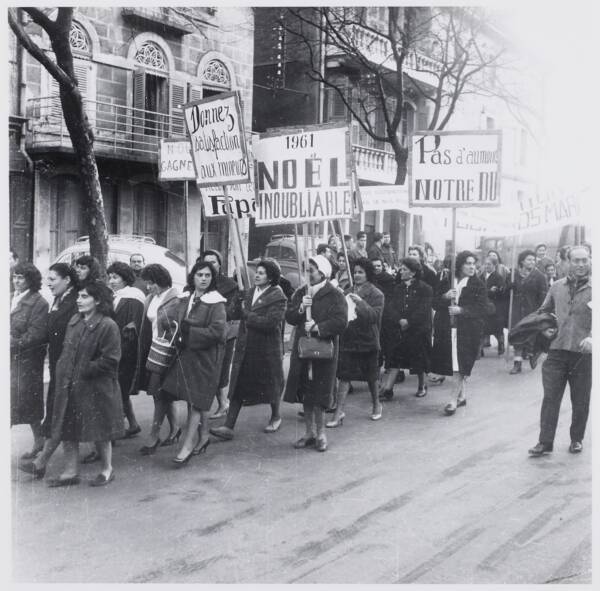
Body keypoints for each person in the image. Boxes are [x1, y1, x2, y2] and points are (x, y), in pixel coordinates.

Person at [46, 281, 124, 487]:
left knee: (100, 430)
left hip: (96, 388)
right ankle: (71, 472)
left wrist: (83, 370)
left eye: (84, 297)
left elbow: (111, 360)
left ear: (97, 300)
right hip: (70, 385)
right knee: (67, 427)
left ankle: (107, 469)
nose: (79, 301)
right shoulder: (75, 320)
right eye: (79, 296)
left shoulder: (108, 325)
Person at [210, 259, 287, 441]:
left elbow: (271, 323)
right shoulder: (249, 292)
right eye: (257, 272)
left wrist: (248, 315)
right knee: (238, 385)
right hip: (246, 347)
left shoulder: (278, 296)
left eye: (261, 273)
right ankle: (228, 426)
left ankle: (276, 416)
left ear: (270, 277)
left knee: (271, 385)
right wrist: (238, 300)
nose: (257, 275)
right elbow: (232, 313)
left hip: (267, 349)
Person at [160, 261, 227, 464]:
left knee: (196, 402)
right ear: (193, 277)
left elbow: (218, 332)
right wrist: (169, 323)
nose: (204, 279)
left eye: (208, 275)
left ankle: (187, 446)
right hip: (187, 355)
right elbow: (167, 316)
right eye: (200, 275)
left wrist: (190, 331)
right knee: (194, 399)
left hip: (206, 358)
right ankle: (204, 436)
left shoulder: (216, 302)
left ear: (212, 278)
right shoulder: (185, 298)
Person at [528, 246, 592, 456]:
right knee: (550, 398)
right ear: (567, 262)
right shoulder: (556, 286)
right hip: (556, 351)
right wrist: (545, 327)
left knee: (580, 399)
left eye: (584, 260)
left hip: (583, 355)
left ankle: (576, 439)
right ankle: (545, 442)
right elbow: (543, 312)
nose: (581, 265)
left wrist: (593, 338)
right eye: (576, 261)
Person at [19, 264, 79, 480]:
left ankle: (47, 463)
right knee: (61, 415)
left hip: (69, 366)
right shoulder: (59, 299)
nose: (48, 283)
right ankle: (50, 464)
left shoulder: (75, 302)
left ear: (67, 280)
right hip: (57, 365)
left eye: (52, 279)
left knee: (64, 415)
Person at [283, 255, 347, 452]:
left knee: (319, 393)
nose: (308, 274)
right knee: (305, 392)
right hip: (304, 348)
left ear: (323, 272)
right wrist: (302, 307)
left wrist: (318, 327)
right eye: (306, 270)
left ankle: (321, 433)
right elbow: (290, 317)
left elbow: (341, 321)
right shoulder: (301, 292)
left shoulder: (335, 294)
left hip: (323, 350)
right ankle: (309, 432)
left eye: (312, 270)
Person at [327, 258, 384, 427]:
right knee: (345, 376)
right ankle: (338, 413)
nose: (357, 275)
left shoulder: (376, 294)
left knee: (371, 377)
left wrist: (360, 302)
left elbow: (374, 317)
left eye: (361, 272)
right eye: (355, 272)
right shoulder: (347, 290)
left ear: (368, 274)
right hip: (349, 339)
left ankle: (376, 404)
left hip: (368, 340)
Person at [430, 252, 488, 414]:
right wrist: (445, 296)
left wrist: (462, 310)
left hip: (467, 331)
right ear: (460, 265)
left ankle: (452, 400)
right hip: (447, 329)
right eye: (468, 263)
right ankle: (462, 396)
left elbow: (483, 308)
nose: (472, 267)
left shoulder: (478, 285)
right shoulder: (447, 282)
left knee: (459, 364)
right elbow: (434, 302)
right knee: (454, 362)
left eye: (474, 264)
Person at [136, 264, 181, 454]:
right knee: (161, 394)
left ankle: (154, 436)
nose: (147, 287)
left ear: (160, 281)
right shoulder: (152, 297)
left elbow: (175, 327)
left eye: (150, 283)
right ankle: (176, 428)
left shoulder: (175, 299)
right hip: (153, 350)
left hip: (166, 353)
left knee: (160, 394)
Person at [379, 258, 433, 399]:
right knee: (395, 357)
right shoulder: (398, 288)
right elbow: (391, 307)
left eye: (404, 269)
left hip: (419, 330)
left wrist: (409, 321)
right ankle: (388, 389)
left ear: (413, 272)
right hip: (401, 329)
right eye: (400, 269)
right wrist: (399, 320)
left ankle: (422, 385)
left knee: (419, 358)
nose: (400, 271)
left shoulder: (425, 289)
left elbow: (423, 310)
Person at [11, 262, 49, 461]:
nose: (16, 281)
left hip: (26, 361)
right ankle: (39, 440)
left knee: (29, 404)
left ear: (31, 281)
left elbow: (36, 334)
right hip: (11, 360)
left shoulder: (38, 302)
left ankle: (39, 440)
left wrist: (12, 342)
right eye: (14, 277)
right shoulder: (11, 297)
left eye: (21, 278)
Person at [107, 262, 146, 438]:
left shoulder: (133, 297)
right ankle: (133, 423)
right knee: (119, 390)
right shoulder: (116, 296)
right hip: (116, 348)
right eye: (110, 277)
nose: (111, 281)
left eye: (115, 277)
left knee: (117, 390)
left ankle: (113, 432)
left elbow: (132, 328)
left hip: (125, 350)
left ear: (125, 278)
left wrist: (118, 351)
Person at [201, 250, 241, 419]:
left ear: (220, 264)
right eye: (206, 261)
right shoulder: (200, 280)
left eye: (214, 262)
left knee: (221, 368)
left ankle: (223, 403)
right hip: (204, 332)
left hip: (224, 331)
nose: (210, 264)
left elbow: (231, 311)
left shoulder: (229, 285)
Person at [508, 249, 548, 374]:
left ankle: (533, 353)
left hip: (532, 310)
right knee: (517, 335)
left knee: (531, 336)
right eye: (529, 259)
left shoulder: (540, 276)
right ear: (522, 261)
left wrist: (542, 311)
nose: (532, 262)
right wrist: (509, 286)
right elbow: (504, 292)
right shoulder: (514, 275)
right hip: (517, 310)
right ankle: (517, 363)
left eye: (533, 260)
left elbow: (544, 295)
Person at [480, 255, 508, 355]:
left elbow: (499, 292)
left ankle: (501, 346)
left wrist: (489, 292)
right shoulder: (481, 276)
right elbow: (478, 290)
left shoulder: (498, 277)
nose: (487, 266)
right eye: (485, 264)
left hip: (495, 307)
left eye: (489, 264)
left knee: (497, 329)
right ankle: (480, 350)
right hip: (483, 306)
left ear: (494, 265)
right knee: (482, 328)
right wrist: (488, 291)